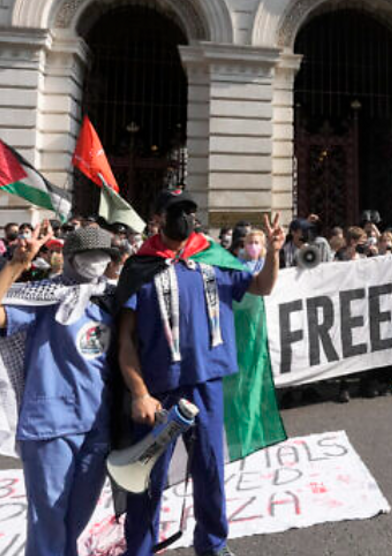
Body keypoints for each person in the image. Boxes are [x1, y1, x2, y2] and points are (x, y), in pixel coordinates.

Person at [115, 189, 284, 556]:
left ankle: (212, 544)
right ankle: (140, 549)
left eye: (190, 211)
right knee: (147, 479)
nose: (185, 218)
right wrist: (140, 392)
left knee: (209, 470)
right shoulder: (139, 267)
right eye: (176, 211)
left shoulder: (213, 258)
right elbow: (125, 340)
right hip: (158, 391)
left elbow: (262, 286)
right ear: (157, 217)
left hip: (206, 384)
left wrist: (273, 252)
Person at [0, 224, 119, 556]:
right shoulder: (44, 297)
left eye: (102, 255)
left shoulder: (112, 299)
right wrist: (16, 265)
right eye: (88, 255)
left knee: (76, 519)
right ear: (71, 258)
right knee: (47, 519)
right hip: (51, 423)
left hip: (98, 425)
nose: (96, 261)